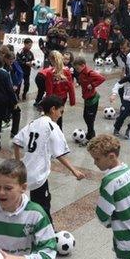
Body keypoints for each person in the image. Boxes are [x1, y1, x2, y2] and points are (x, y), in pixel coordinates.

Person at [12, 95, 85, 224]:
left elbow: (17, 142)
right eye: (60, 111)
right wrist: (74, 171)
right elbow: (59, 154)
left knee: (26, 205)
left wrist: (18, 163)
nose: (60, 115)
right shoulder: (52, 126)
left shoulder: (33, 123)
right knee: (43, 209)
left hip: (24, 172)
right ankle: (48, 234)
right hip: (38, 176)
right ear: (53, 109)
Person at [73, 57, 106, 143]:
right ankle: (91, 133)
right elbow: (83, 80)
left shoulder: (89, 72)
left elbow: (102, 78)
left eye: (77, 68)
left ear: (83, 65)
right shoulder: (82, 73)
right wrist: (78, 83)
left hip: (92, 99)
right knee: (86, 117)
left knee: (90, 119)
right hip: (87, 98)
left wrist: (93, 84)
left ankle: (91, 137)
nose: (77, 70)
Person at [41, 51, 76, 130]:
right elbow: (71, 87)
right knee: (59, 116)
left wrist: (47, 103)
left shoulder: (50, 73)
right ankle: (60, 132)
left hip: (53, 99)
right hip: (63, 98)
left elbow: (49, 90)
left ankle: (52, 131)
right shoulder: (67, 71)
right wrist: (72, 100)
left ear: (52, 60)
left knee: (51, 117)